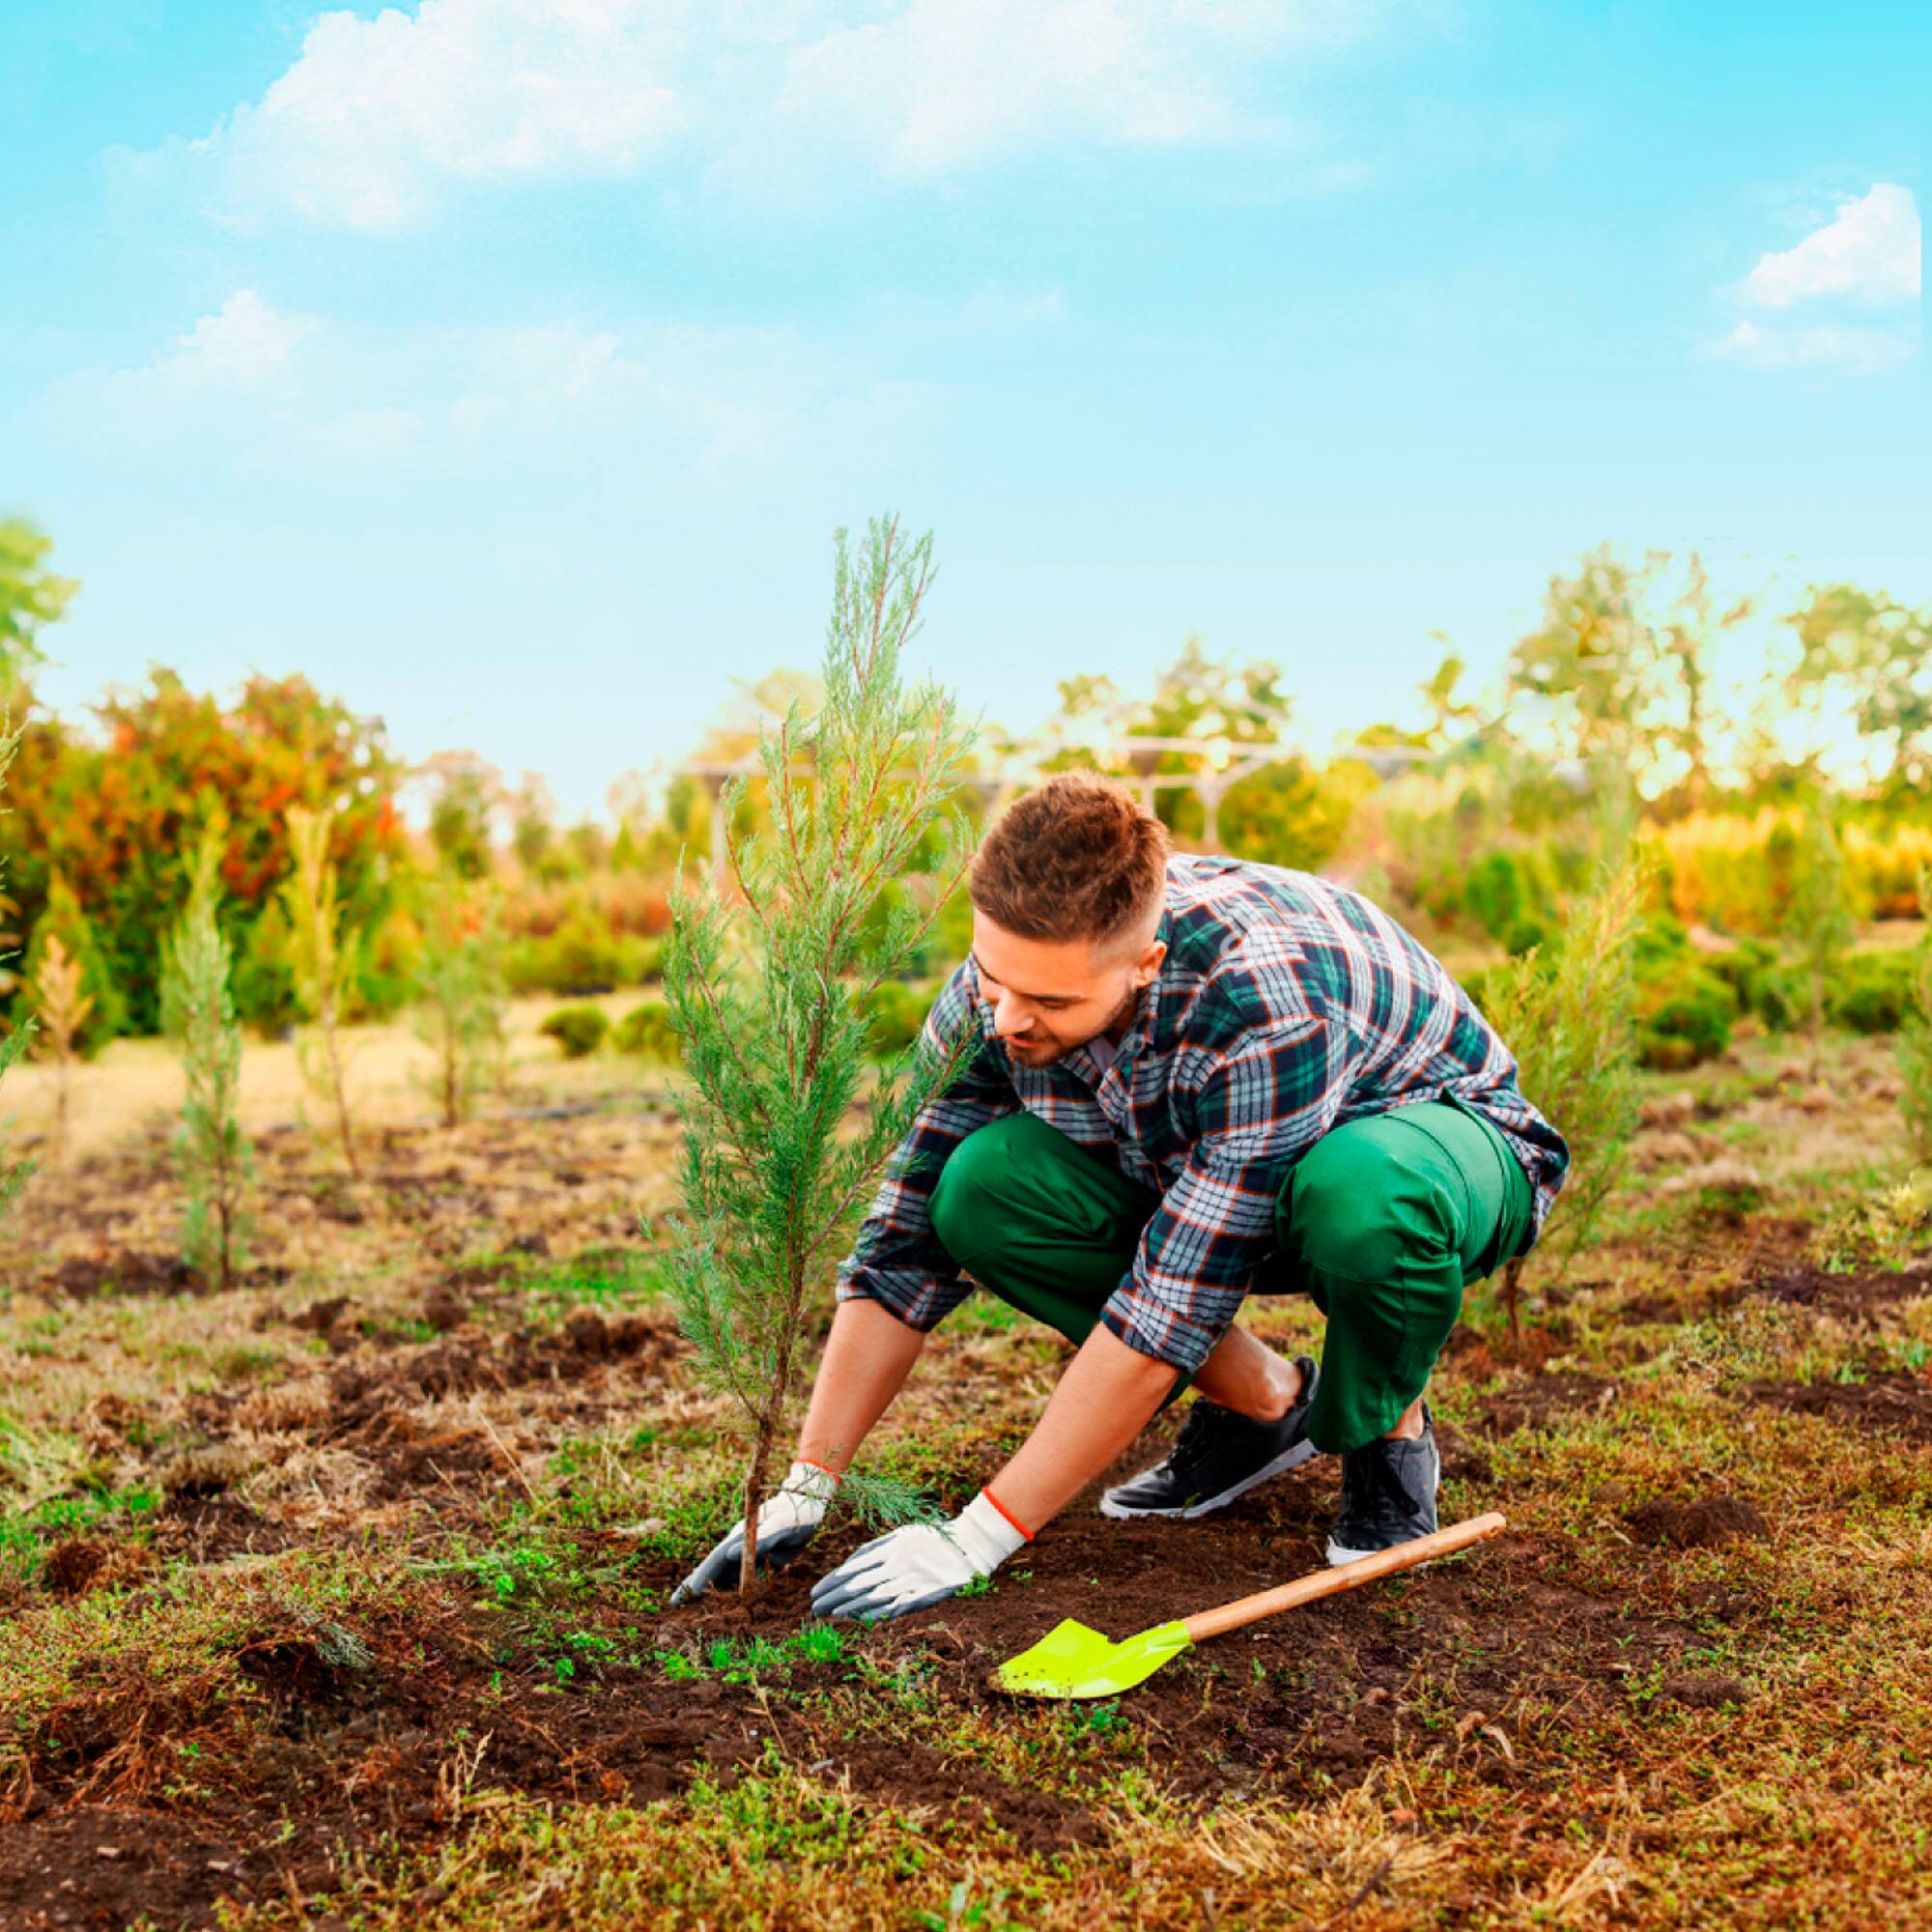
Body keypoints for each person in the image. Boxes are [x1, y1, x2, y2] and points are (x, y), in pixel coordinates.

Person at [673, 773, 1568, 1620]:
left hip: (1435, 1149)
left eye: (1048, 999)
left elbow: (1175, 1301)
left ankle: (1386, 1437)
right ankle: (1268, 1409)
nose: (1007, 1018)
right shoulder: (998, 997)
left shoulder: (1264, 1001)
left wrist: (976, 1538)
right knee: (978, 1187)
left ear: (1144, 963)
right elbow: (903, 1241)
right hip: (1219, 1173)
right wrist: (807, 1483)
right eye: (993, 978)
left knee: (1362, 1195)